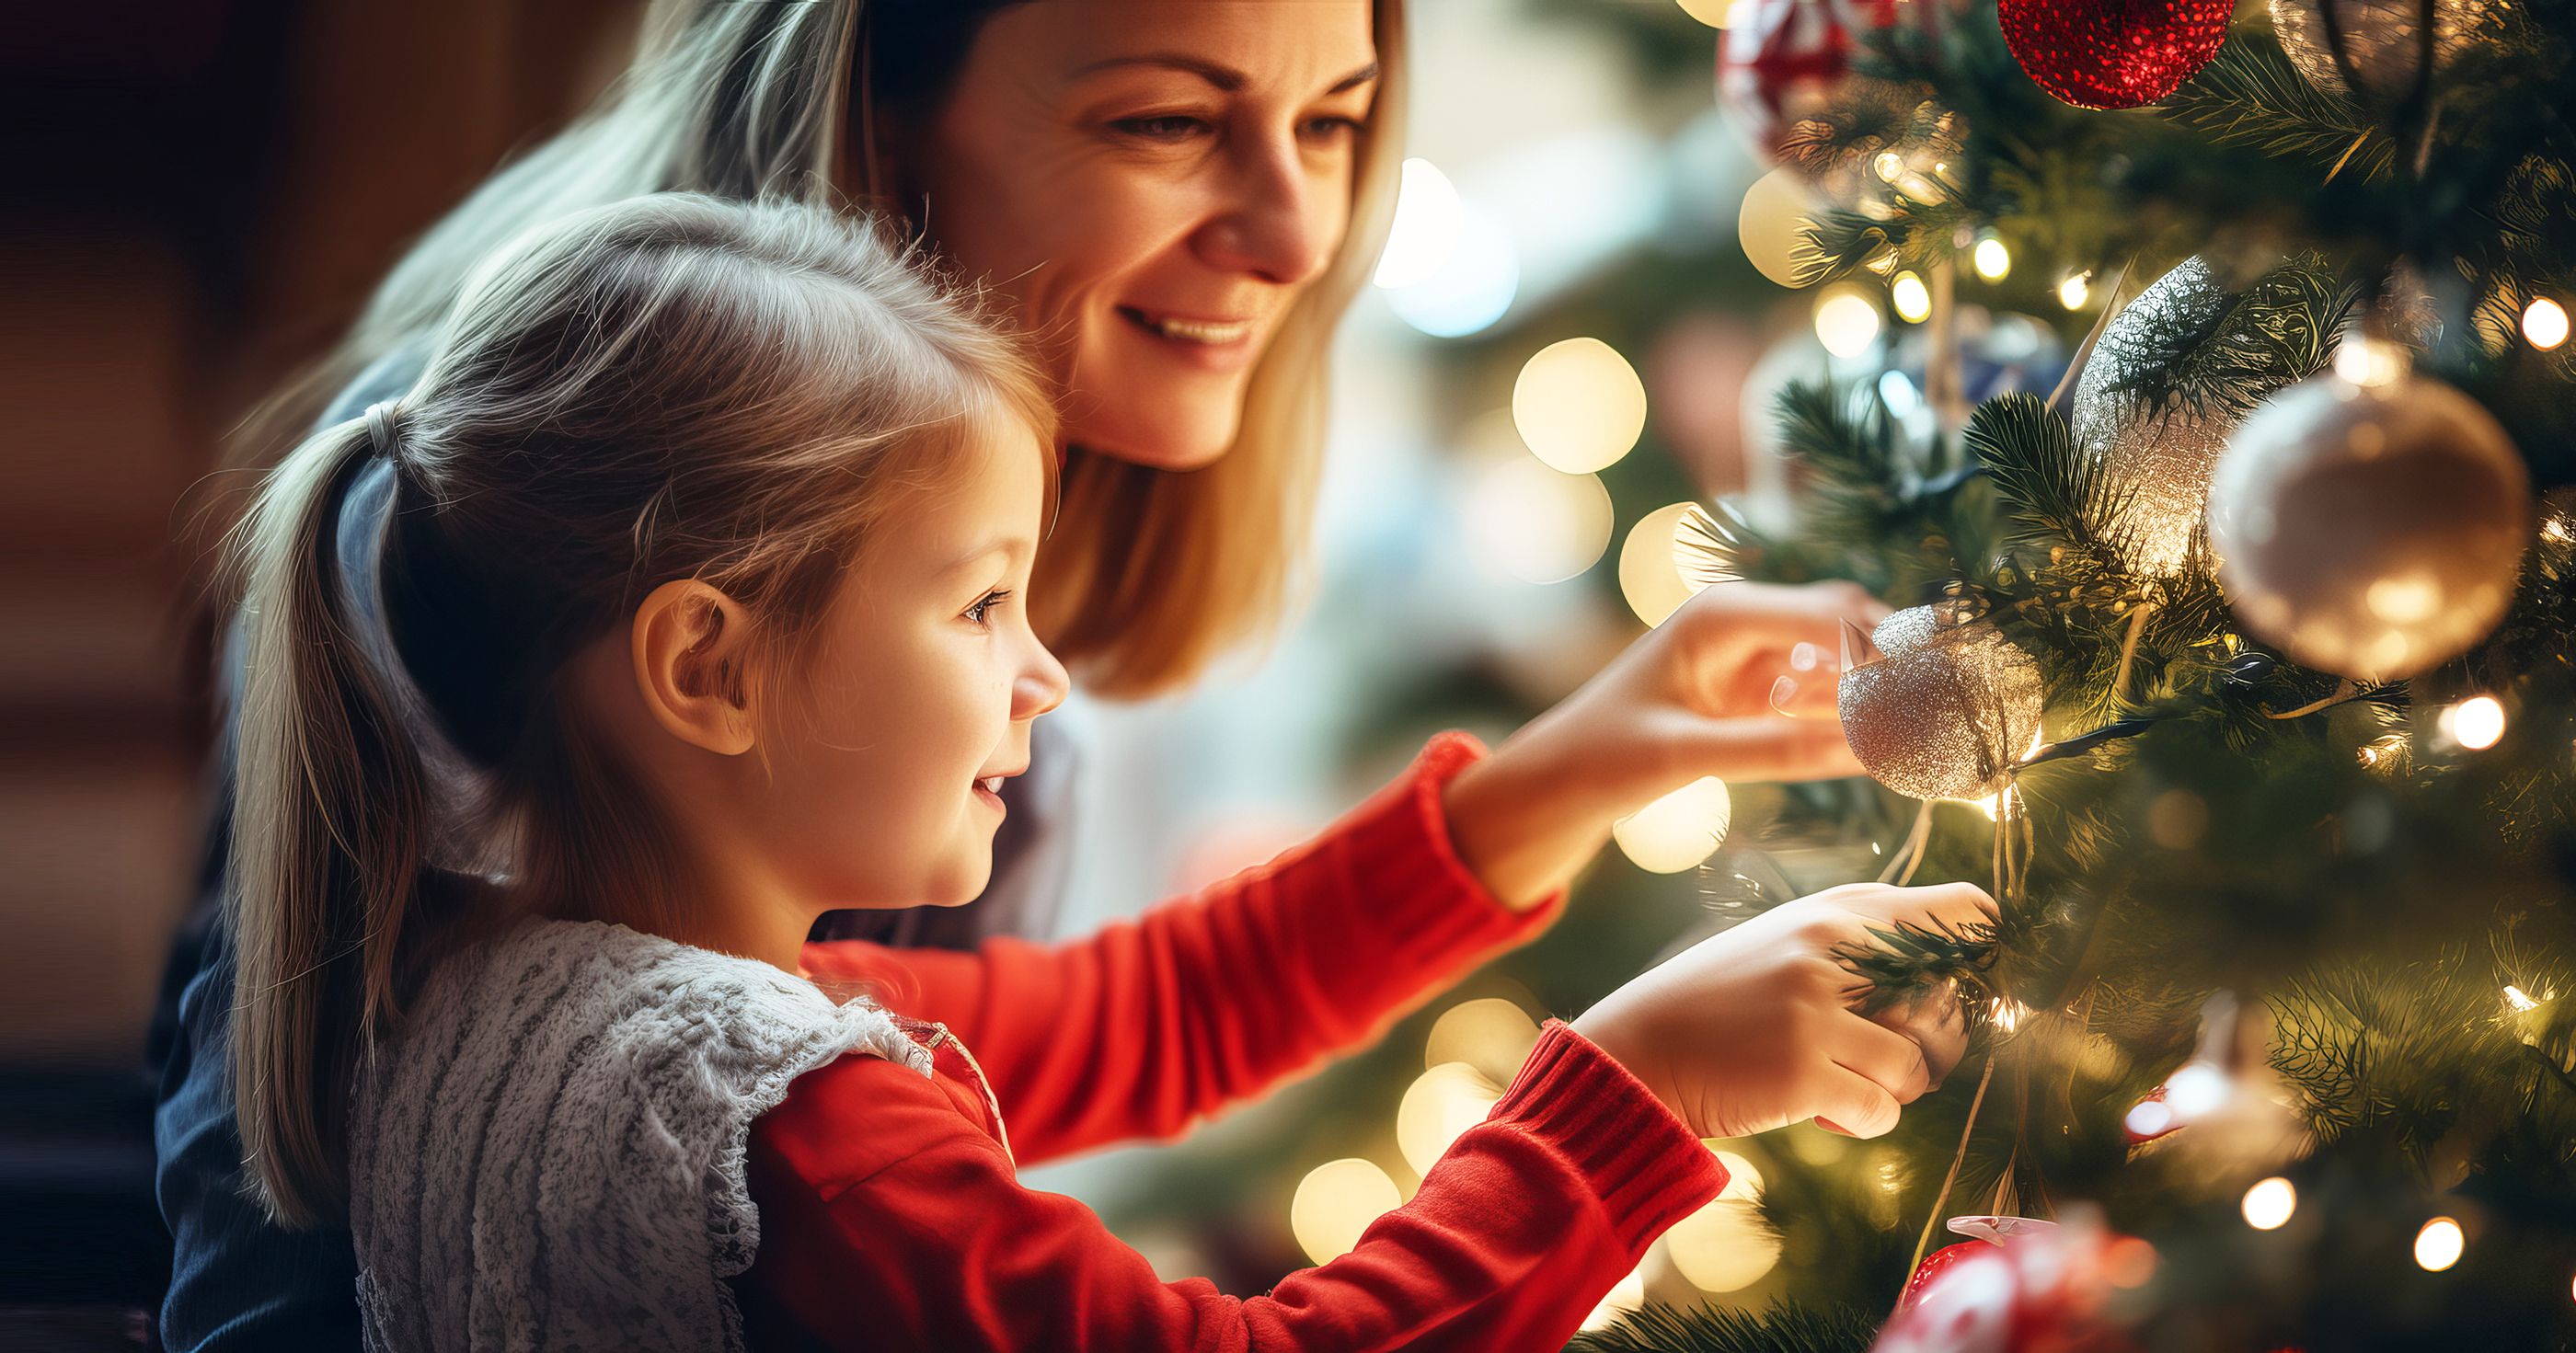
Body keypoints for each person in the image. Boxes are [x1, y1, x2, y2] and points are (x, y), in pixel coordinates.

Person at [154, 2, 1949, 1346]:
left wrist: (1566, 771)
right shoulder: (787, 1116)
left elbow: (1162, 1013)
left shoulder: (489, 970)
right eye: (1169, 120)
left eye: (1335, 121)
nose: (1040, 680)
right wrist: (1630, 1099)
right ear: (704, 662)